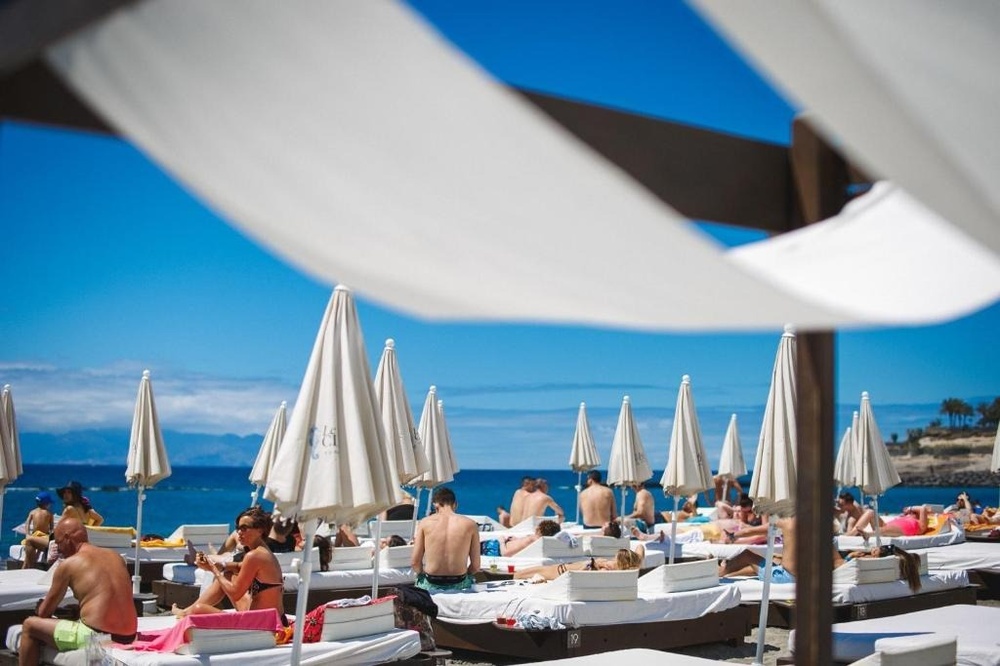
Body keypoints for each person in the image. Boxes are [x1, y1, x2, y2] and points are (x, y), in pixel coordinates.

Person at [18, 518, 137, 665]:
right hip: (129, 636)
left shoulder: (68, 565)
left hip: (97, 638)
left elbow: (44, 613)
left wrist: (41, 607)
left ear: (68, 538)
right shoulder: (116, 556)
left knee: (30, 625)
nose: (58, 549)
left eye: (58, 542)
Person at [172, 506, 285, 622]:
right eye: (238, 528)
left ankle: (187, 612)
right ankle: (186, 612)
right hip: (272, 617)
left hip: (262, 622)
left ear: (260, 530)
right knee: (228, 575)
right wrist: (220, 565)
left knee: (198, 609)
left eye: (244, 528)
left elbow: (235, 593)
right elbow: (238, 566)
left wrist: (214, 570)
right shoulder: (263, 551)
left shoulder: (254, 556)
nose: (239, 533)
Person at [412, 487, 479, 591]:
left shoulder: (424, 523)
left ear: (435, 504)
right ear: (455, 504)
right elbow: (475, 566)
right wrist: (467, 575)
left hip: (431, 583)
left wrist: (421, 574)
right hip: (459, 582)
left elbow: (415, 563)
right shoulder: (470, 524)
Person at [718, 516, 798, 583]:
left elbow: (750, 531)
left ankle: (719, 573)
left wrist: (732, 536)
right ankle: (728, 575)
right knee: (767, 562)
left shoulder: (786, 520)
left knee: (747, 555)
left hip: (784, 578)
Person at [513, 545, 645, 582]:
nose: (613, 559)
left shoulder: (606, 571)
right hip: (559, 568)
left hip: (558, 572)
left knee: (517, 575)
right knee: (518, 574)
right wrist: (637, 562)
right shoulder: (626, 568)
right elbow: (640, 547)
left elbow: (583, 577)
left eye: (616, 558)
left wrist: (589, 567)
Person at [480, 519, 560, 558]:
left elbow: (505, 553)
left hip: (493, 549)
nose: (535, 527)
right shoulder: (536, 540)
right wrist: (516, 540)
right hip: (494, 547)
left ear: (539, 529)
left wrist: (501, 542)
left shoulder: (533, 539)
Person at [21, 491, 55, 569]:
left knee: (28, 554)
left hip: (34, 535)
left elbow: (27, 524)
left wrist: (27, 533)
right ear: (47, 503)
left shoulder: (32, 512)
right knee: (37, 549)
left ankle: (25, 568)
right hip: (43, 536)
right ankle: (32, 566)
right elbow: (52, 528)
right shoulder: (49, 513)